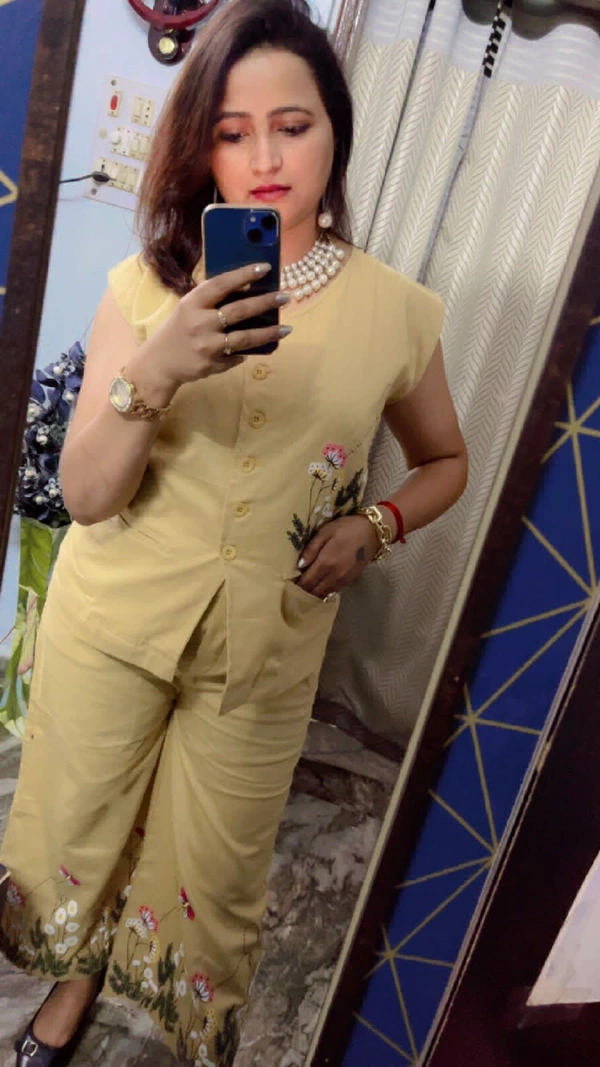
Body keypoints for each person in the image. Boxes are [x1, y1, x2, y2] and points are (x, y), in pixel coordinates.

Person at [1, 1, 468, 1064]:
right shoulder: (143, 289)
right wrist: (155, 368)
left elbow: (447, 460)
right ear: (199, 147)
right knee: (85, 826)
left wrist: (377, 525)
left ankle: (182, 1024)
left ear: (335, 131)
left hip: (263, 652)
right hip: (112, 624)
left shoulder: (399, 313)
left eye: (292, 126)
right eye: (231, 130)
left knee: (216, 872)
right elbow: (86, 495)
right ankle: (72, 989)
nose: (264, 158)